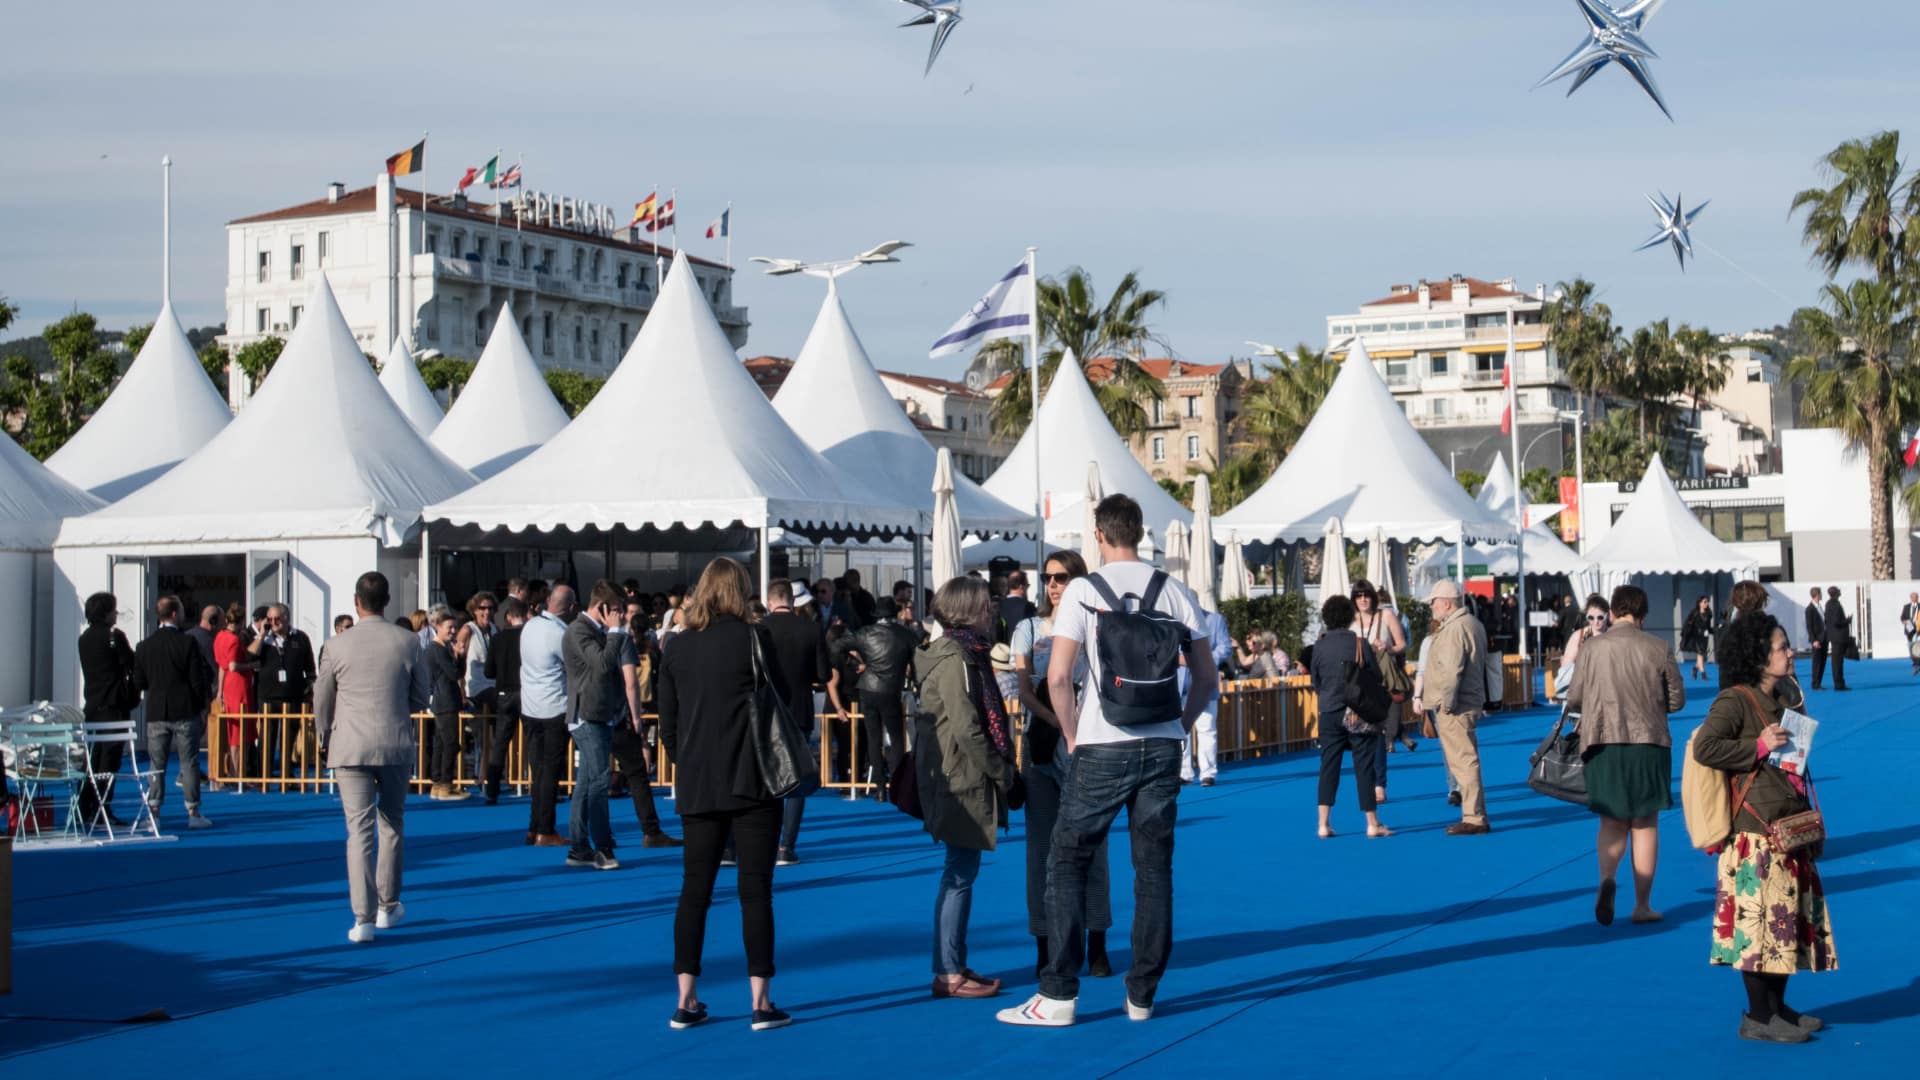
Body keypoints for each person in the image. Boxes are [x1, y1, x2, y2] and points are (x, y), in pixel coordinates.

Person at [999, 494, 1217, 1029]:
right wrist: (1179, 728)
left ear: (1098, 535)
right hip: (1162, 744)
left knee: (1068, 859)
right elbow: (1208, 680)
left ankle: (1058, 994)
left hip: (1102, 742)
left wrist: (1073, 735)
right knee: (1153, 869)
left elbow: (1056, 677)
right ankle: (1141, 994)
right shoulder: (1175, 591)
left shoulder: (1082, 591)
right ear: (1140, 532)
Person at [1692, 613, 1838, 1044]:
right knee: (1758, 927)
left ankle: (1776, 1007)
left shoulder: (1787, 696)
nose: (1789, 652)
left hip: (1788, 824)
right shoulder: (1734, 700)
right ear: (1758, 656)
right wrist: (1758, 745)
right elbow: (1706, 746)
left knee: (1786, 923)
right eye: (1780, 647)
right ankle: (1757, 1015)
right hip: (1755, 831)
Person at [659, 558, 791, 1032]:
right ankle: (761, 999)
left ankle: (686, 997)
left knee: (694, 891)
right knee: (755, 891)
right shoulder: (756, 639)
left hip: (698, 782)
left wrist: (687, 762)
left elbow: (667, 724)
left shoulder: (675, 647)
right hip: (753, 778)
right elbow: (784, 699)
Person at [1008, 551, 1114, 979]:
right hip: (1043, 740)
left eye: (1062, 577)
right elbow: (1022, 687)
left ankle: (1098, 940)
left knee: (1094, 843)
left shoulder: (1097, 625)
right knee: (1041, 849)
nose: (1053, 585)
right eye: (1048, 578)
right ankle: (1044, 943)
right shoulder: (1028, 629)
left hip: (1087, 744)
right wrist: (1056, 717)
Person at [916, 576, 1020, 1000]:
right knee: (959, 874)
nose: (990, 612)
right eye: (984, 605)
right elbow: (967, 727)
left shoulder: (957, 655)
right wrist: (1002, 771)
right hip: (962, 778)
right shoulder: (959, 658)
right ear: (966, 611)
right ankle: (948, 969)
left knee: (961, 873)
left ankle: (952, 963)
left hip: (955, 775)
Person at [1564, 585, 1685, 925]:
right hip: (1648, 742)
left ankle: (1607, 878)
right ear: (1644, 616)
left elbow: (1574, 698)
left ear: (1613, 613)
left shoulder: (1591, 649)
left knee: (1611, 820)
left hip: (1603, 741)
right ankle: (1642, 904)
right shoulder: (1658, 647)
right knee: (1645, 823)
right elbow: (1676, 701)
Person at [314, 571, 422, 944]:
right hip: (394, 743)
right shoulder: (408, 641)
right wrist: (398, 710)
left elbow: (322, 699)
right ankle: (388, 905)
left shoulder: (336, 645)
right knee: (392, 823)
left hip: (350, 745)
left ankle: (362, 918)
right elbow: (422, 694)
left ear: (356, 602)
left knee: (358, 832)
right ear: (388, 600)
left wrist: (324, 733)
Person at [1310, 594, 1391, 839]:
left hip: (1329, 710)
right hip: (1357, 712)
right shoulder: (1359, 643)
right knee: (1364, 766)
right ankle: (1372, 822)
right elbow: (1375, 675)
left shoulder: (1319, 646)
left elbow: (1316, 680)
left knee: (1328, 766)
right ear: (1349, 617)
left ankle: (1323, 823)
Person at [1415, 580, 1492, 836]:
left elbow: (1451, 671)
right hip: (1469, 700)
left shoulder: (1453, 629)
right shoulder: (1472, 624)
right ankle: (1475, 813)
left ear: (1446, 604)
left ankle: (1474, 816)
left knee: (1462, 760)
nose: (1431, 608)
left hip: (1456, 705)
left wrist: (1446, 704)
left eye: (1434, 602)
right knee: (1466, 758)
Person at [563, 580, 628, 870]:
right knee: (600, 780)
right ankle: (602, 847)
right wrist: (615, 632)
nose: (619, 616)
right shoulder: (579, 630)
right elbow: (602, 664)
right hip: (586, 715)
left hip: (600, 713)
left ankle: (579, 847)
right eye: (615, 610)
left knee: (587, 782)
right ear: (600, 607)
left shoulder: (596, 631)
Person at [763, 579, 830, 866]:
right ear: (793, 601)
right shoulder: (811, 629)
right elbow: (824, 674)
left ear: (769, 602)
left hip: (765, 712)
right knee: (796, 779)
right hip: (799, 710)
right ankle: (785, 846)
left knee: (764, 778)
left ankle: (763, 840)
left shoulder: (757, 630)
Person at [133, 596, 213, 831]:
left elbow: (140, 681)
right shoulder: (187, 643)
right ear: (175, 614)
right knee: (189, 762)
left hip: (157, 709)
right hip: (185, 709)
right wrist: (202, 706)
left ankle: (154, 813)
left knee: (156, 764)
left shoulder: (144, 646)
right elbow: (197, 680)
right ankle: (193, 812)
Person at [519, 585, 575, 847]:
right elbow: (573, 666)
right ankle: (545, 828)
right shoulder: (560, 633)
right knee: (550, 771)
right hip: (553, 707)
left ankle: (534, 826)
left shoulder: (530, 626)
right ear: (570, 608)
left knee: (538, 770)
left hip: (530, 707)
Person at [76, 591, 137, 828]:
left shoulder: (84, 638)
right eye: (114, 610)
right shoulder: (114, 636)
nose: (117, 614)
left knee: (92, 757)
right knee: (109, 761)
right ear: (106, 612)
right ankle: (103, 806)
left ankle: (86, 804)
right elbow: (131, 664)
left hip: (92, 704)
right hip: (113, 705)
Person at [850, 598, 920, 788]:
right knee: (896, 738)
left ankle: (879, 785)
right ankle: (896, 784)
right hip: (890, 689)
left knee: (874, 737)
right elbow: (916, 665)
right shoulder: (906, 635)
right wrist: (917, 685)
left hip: (867, 688)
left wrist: (858, 664)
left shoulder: (865, 633)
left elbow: (838, 646)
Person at [1352, 580, 1409, 795]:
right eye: (1358, 596)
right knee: (1358, 734)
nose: (1363, 600)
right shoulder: (1350, 620)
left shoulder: (1386, 616)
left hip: (1381, 681)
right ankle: (1366, 779)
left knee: (1376, 732)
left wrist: (1388, 648)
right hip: (1357, 682)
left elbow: (1403, 644)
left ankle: (1379, 783)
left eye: (1366, 595)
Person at [252, 603, 316, 776]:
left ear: (286, 618)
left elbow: (310, 667)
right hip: (268, 696)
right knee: (267, 737)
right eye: (270, 619)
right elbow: (250, 655)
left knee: (290, 736)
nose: (273, 622)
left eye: (277, 619)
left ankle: (286, 774)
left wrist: (310, 691)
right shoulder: (264, 639)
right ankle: (263, 775)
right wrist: (262, 634)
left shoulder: (300, 638)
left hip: (293, 695)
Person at [481, 597, 527, 804]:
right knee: (533, 740)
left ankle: (492, 790)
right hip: (525, 692)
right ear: (525, 616)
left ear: (508, 617)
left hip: (504, 694)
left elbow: (489, 670)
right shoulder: (528, 636)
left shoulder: (498, 639)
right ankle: (538, 786)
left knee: (500, 743)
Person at [422, 609, 468, 801]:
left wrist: (458, 657)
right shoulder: (437, 649)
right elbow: (454, 673)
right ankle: (444, 783)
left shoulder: (440, 649)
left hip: (445, 700)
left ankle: (439, 783)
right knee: (450, 743)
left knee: (441, 742)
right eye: (449, 627)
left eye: (454, 627)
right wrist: (459, 656)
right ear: (437, 628)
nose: (453, 631)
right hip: (444, 701)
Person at [458, 592, 498, 790]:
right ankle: (481, 776)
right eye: (482, 608)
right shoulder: (468, 630)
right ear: (475, 610)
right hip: (474, 688)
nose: (487, 612)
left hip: (493, 685)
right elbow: (458, 660)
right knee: (484, 736)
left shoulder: (494, 629)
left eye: (490, 608)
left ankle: (487, 776)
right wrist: (461, 691)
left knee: (492, 737)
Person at [215, 603, 257, 780]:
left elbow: (222, 667)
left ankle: (235, 772)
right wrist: (251, 665)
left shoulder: (220, 636)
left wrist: (220, 691)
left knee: (234, 729)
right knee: (239, 731)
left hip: (229, 687)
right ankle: (237, 773)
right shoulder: (233, 640)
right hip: (239, 686)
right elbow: (232, 665)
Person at [1715, 582, 1771, 691]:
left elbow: (1725, 676)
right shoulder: (1771, 630)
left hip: (1738, 695)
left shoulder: (1730, 634)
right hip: (1768, 693)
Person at [996, 570, 1036, 645]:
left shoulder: (997, 606)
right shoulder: (1028, 607)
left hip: (1002, 651)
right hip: (1022, 649)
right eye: (1027, 585)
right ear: (1021, 587)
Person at [1822, 586, 1850, 692]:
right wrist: (1847, 621)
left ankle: (1839, 682)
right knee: (1837, 662)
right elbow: (1836, 621)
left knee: (1837, 661)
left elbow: (1827, 620)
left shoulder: (1828, 604)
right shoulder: (1835, 605)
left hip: (1834, 636)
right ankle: (1839, 683)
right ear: (1836, 593)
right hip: (1838, 637)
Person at [1681, 596, 1715, 681]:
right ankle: (1703, 673)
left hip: (1705, 637)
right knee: (1700, 655)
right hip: (1696, 637)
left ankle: (1695, 668)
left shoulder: (1709, 613)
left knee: (1702, 655)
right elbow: (1689, 624)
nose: (1706, 603)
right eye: (1704, 602)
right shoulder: (1694, 613)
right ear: (1699, 603)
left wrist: (1712, 631)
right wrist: (1687, 633)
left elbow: (1708, 626)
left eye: (1707, 602)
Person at [1802, 587, 1826, 690]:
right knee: (1817, 662)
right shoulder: (1809, 609)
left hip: (1824, 637)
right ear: (1817, 595)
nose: (1822, 595)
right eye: (1820, 593)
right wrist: (1813, 640)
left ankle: (1819, 682)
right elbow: (1809, 626)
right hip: (1817, 639)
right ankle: (1815, 683)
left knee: (1823, 661)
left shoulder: (1819, 607)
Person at [1904, 590, 1920, 676]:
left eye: (1916, 597)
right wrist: (1905, 622)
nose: (1914, 599)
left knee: (1917, 649)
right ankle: (1915, 664)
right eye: (1913, 597)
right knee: (1911, 648)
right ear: (1910, 598)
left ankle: (1916, 665)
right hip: (1910, 631)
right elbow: (1902, 617)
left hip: (1919, 631)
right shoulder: (1906, 607)